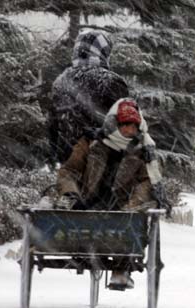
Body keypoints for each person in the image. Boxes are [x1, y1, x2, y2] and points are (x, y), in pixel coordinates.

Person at [57, 98, 170, 290]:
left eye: (133, 126)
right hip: (88, 204)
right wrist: (71, 194)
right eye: (124, 125)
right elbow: (68, 171)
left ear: (138, 127)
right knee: (87, 226)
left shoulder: (143, 151)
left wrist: (133, 206)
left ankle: (120, 270)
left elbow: (147, 182)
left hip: (122, 207)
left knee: (128, 226)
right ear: (115, 124)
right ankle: (93, 253)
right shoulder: (91, 142)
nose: (128, 130)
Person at [49, 30, 129, 163]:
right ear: (104, 51)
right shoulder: (111, 81)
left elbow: (53, 125)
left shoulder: (60, 81)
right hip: (101, 161)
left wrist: (56, 158)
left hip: (68, 161)